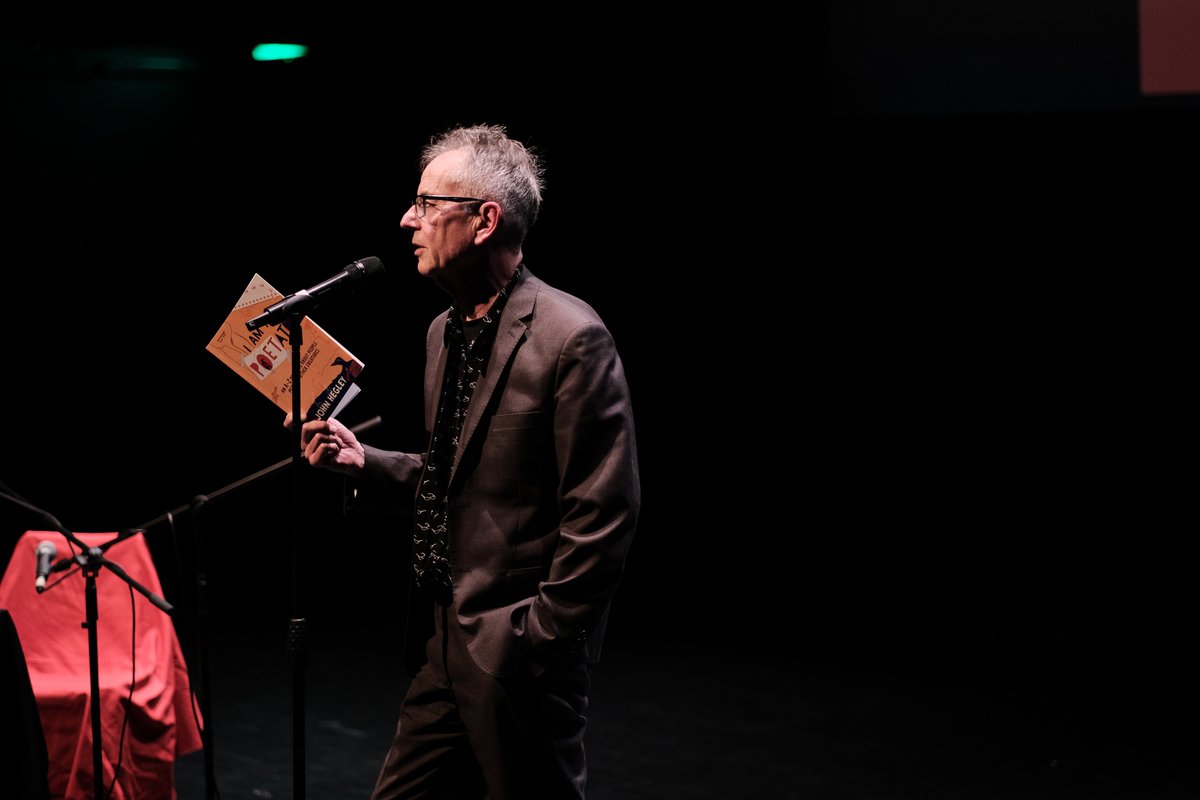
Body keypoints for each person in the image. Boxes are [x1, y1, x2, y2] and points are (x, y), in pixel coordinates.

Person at [289, 123, 641, 799]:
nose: (406, 219)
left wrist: (538, 642)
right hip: (441, 641)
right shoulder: (443, 330)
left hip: (516, 653)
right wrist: (366, 462)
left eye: (426, 203)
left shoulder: (572, 338)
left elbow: (604, 513)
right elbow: (461, 477)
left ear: (485, 221)